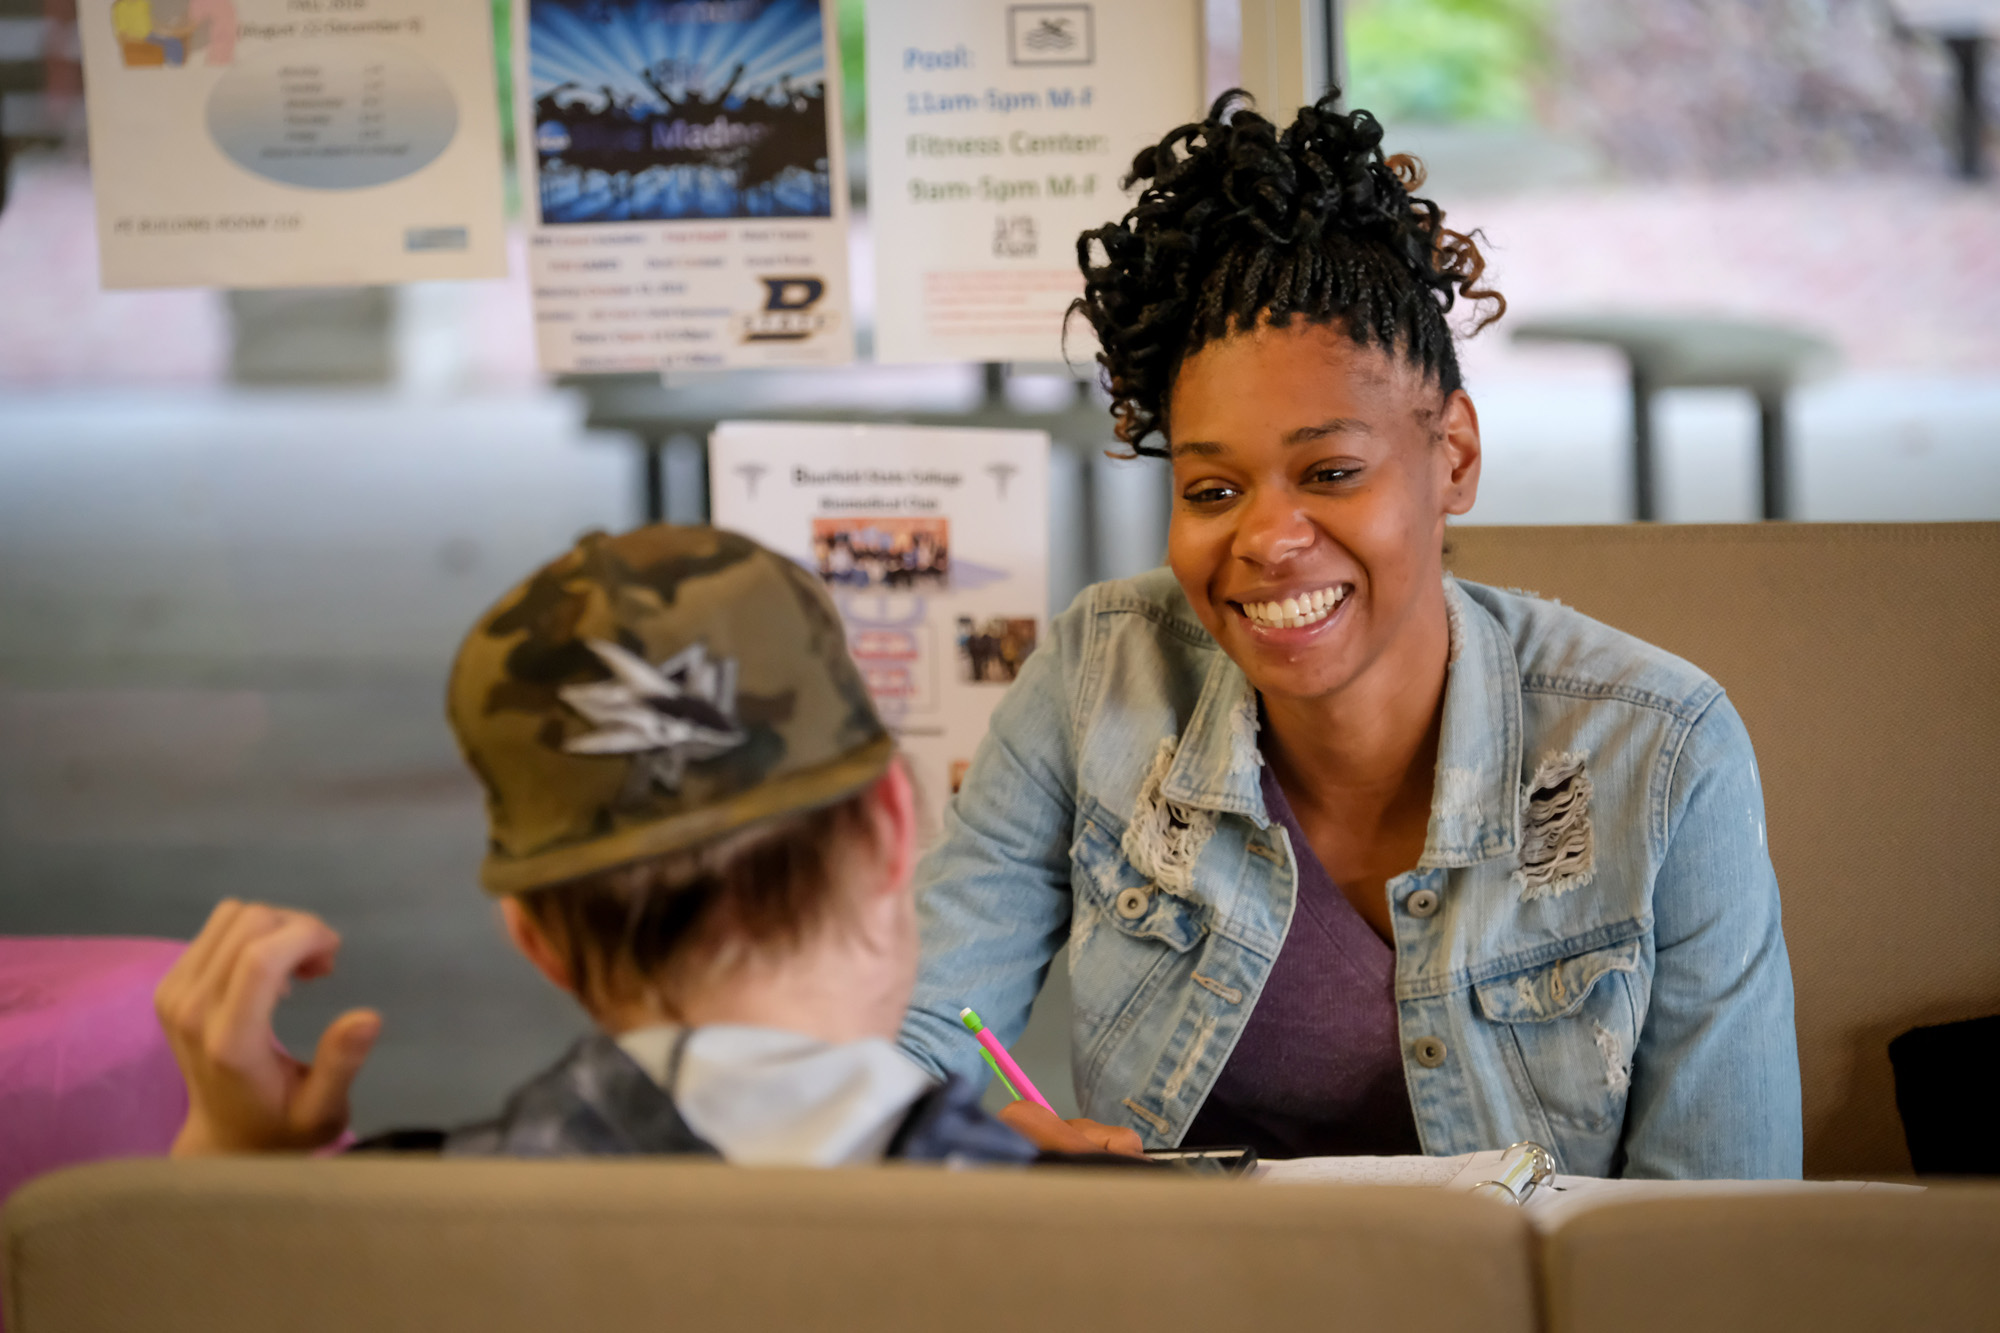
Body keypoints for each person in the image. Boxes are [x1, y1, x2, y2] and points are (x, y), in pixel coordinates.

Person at [896, 92, 1803, 1179]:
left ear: (1452, 457)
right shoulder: (1100, 677)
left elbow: (1717, 1221)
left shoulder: (1658, 752)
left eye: (1330, 473)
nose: (1268, 539)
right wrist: (937, 1127)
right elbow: (912, 1042)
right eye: (1211, 485)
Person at [155, 525, 1131, 1164]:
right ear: (890, 827)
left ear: (532, 934)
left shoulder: (375, 1233)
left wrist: (231, 1174)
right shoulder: (1103, 1254)